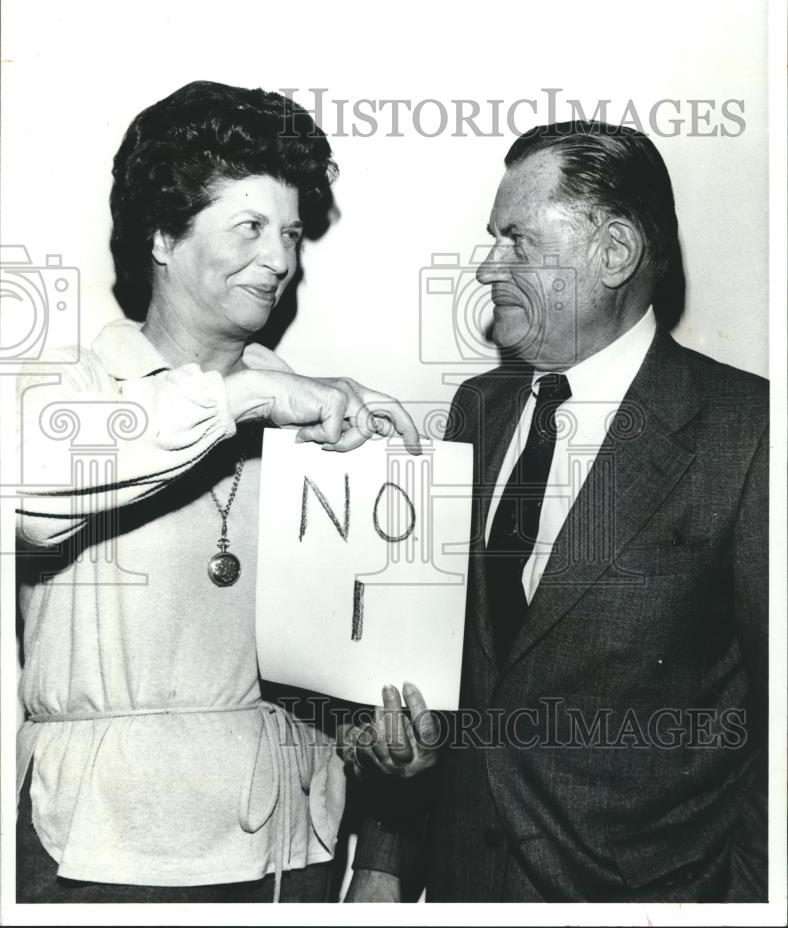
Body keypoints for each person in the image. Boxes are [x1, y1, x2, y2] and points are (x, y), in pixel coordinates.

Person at [14, 80, 420, 903]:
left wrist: (385, 835)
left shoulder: (324, 415)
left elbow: (359, 666)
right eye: (250, 228)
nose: (280, 260)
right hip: (106, 852)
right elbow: (29, 504)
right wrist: (245, 400)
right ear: (163, 237)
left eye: (292, 234)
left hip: (289, 853)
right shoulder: (66, 392)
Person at [344, 121, 768, 902]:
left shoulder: (748, 434)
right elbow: (435, 667)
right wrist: (385, 857)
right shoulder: (479, 409)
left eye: (518, 241)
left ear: (613, 253)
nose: (485, 267)